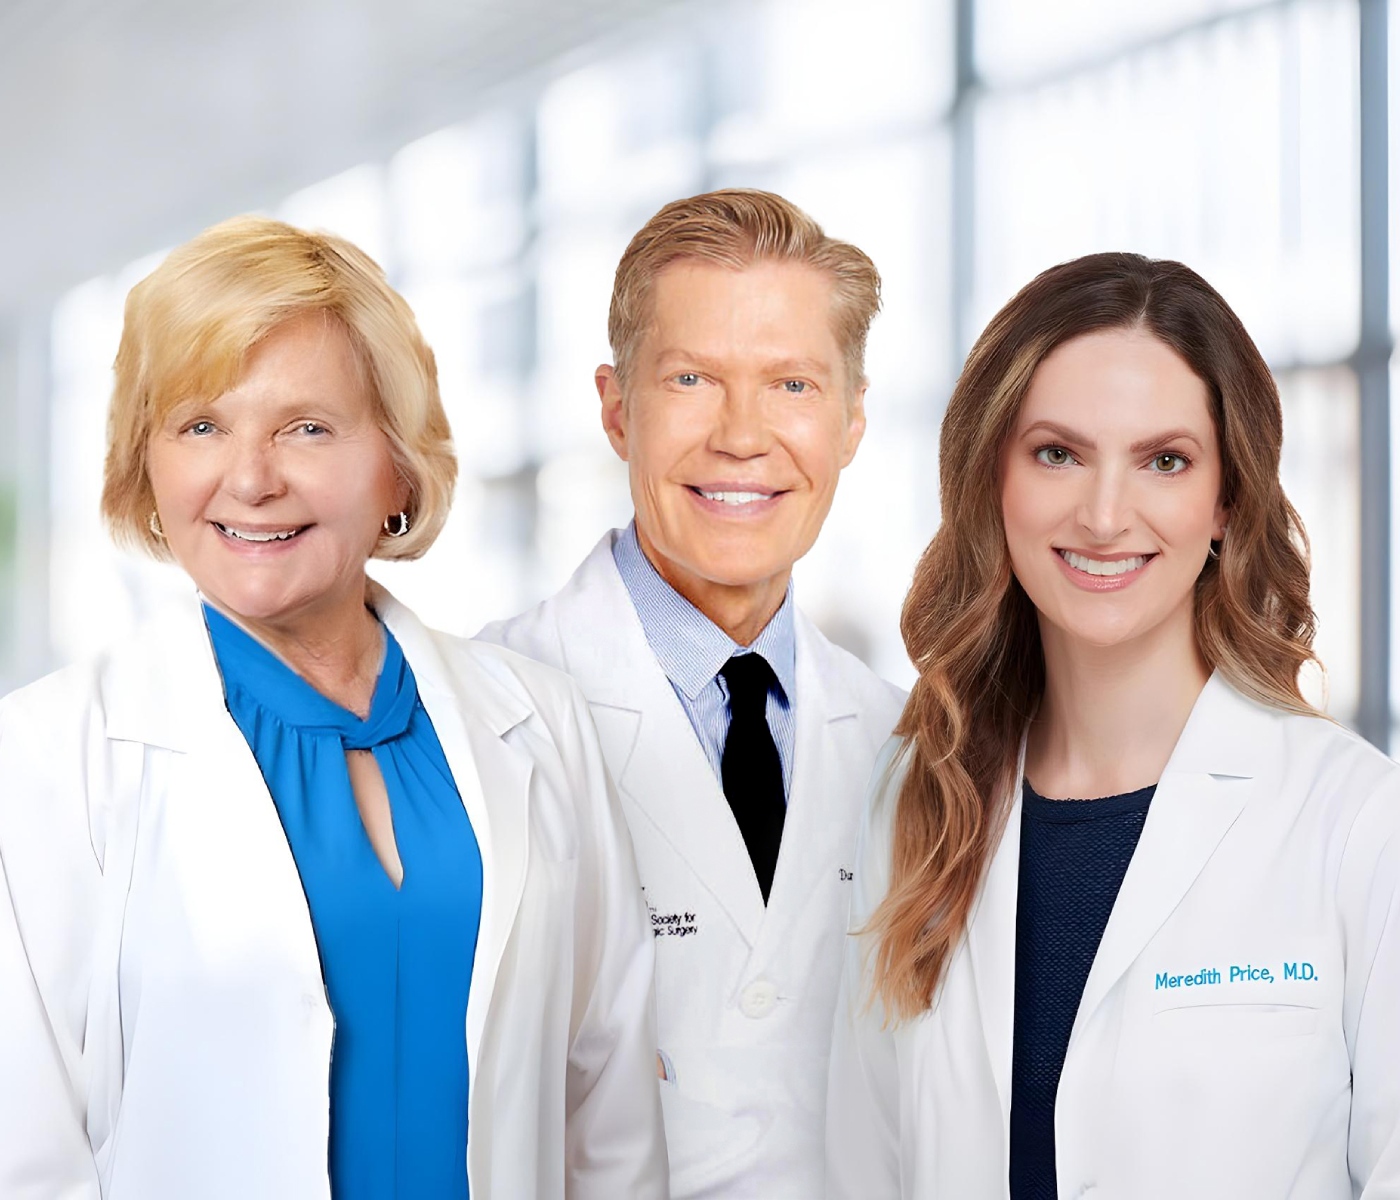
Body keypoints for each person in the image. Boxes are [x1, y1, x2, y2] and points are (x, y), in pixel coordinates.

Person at [0, 215, 667, 1200]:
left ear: (396, 463)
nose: (252, 478)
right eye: (200, 425)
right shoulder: (49, 756)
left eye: (306, 427)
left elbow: (609, 1110)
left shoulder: (538, 721)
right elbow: (25, 1153)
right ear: (147, 465)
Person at [826, 251, 1400, 1199]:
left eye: (1163, 462)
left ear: (1226, 502)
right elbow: (861, 1170)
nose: (1102, 515)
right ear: (992, 479)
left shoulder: (1355, 822)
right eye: (1058, 453)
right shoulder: (915, 798)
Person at [478, 189, 905, 1198]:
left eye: (792, 383)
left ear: (849, 420)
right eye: (691, 379)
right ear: (616, 407)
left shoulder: (910, 743)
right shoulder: (484, 717)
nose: (742, 436)